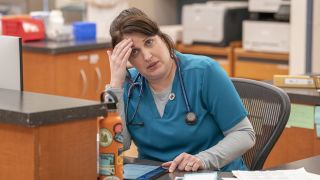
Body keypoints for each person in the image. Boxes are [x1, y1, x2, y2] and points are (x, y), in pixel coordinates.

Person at [104, 7, 256, 172]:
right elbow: (119, 146)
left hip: (211, 173)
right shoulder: (127, 84)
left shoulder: (204, 72)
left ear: (161, 37)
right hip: (156, 175)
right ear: (127, 59)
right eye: (134, 52)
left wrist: (203, 159)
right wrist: (115, 87)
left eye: (149, 42)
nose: (147, 56)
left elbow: (244, 134)